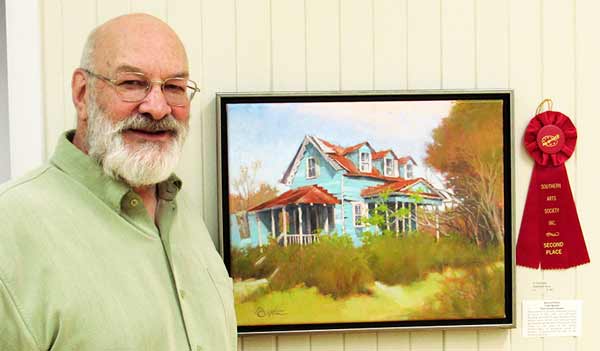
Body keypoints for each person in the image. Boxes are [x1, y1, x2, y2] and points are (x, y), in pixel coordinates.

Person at [0, 14, 236, 351]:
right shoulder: (9, 229)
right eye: (132, 83)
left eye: (174, 87)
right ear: (82, 94)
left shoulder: (181, 209)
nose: (157, 107)